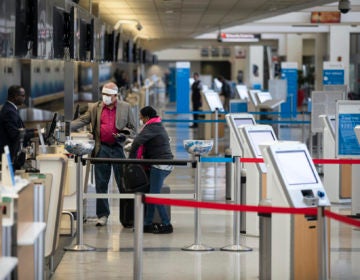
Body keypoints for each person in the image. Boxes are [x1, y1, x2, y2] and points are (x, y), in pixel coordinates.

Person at [71, 82, 136, 226]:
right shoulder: (95, 107)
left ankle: (127, 217)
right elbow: (82, 120)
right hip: (102, 148)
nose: (105, 98)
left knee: (123, 183)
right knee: (101, 183)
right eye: (104, 95)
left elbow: (133, 128)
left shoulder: (125, 107)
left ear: (115, 96)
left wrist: (124, 135)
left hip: (118, 148)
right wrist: (64, 127)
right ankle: (103, 215)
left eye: (108, 95)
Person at [129, 106, 174, 234]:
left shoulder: (152, 127)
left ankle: (166, 224)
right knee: (151, 193)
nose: (140, 119)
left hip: (160, 165)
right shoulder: (156, 125)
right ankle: (147, 223)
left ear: (147, 117)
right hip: (161, 163)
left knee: (154, 195)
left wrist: (130, 161)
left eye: (141, 117)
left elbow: (137, 141)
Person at [0, 85, 37, 169]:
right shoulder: (9, 112)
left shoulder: (11, 109)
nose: (24, 98)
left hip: (13, 155)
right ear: (15, 97)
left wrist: (34, 130)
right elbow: (15, 134)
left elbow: (20, 130)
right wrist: (34, 134)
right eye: (23, 96)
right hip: (11, 156)